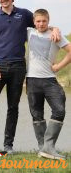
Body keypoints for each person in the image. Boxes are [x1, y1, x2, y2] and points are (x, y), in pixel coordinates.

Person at [0, 0, 60, 160]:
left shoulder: (25, 14)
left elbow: (41, 25)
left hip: (18, 67)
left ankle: (8, 146)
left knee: (13, 108)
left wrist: (55, 28)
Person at [26, 9, 71, 160]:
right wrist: (54, 27)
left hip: (50, 80)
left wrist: (58, 67)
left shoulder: (55, 36)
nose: (41, 24)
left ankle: (48, 146)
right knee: (36, 114)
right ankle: (42, 149)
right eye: (38, 21)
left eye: (44, 21)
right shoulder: (29, 32)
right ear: (34, 22)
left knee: (59, 109)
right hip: (32, 80)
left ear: (48, 20)